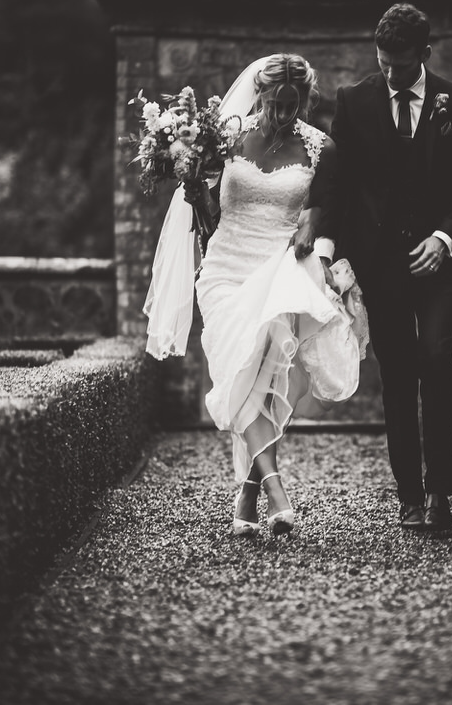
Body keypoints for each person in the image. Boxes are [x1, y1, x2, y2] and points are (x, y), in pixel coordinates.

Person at [150, 53, 368, 538]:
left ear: (306, 99)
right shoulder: (223, 138)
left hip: (279, 272)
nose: (285, 113)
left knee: (265, 374)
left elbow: (328, 216)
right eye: (276, 102)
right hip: (225, 269)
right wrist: (190, 184)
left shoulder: (321, 149)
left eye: (295, 104)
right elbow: (208, 210)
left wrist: (318, 242)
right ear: (260, 94)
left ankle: (258, 490)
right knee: (239, 370)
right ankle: (268, 488)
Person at [311, 3, 452, 534]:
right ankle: (410, 495)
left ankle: (440, 494)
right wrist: (325, 246)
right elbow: (336, 182)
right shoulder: (354, 101)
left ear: (425, 55)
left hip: (441, 263)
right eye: (383, 61)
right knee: (398, 376)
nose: (391, 73)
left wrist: (444, 235)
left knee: (436, 361)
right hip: (379, 266)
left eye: (402, 64)